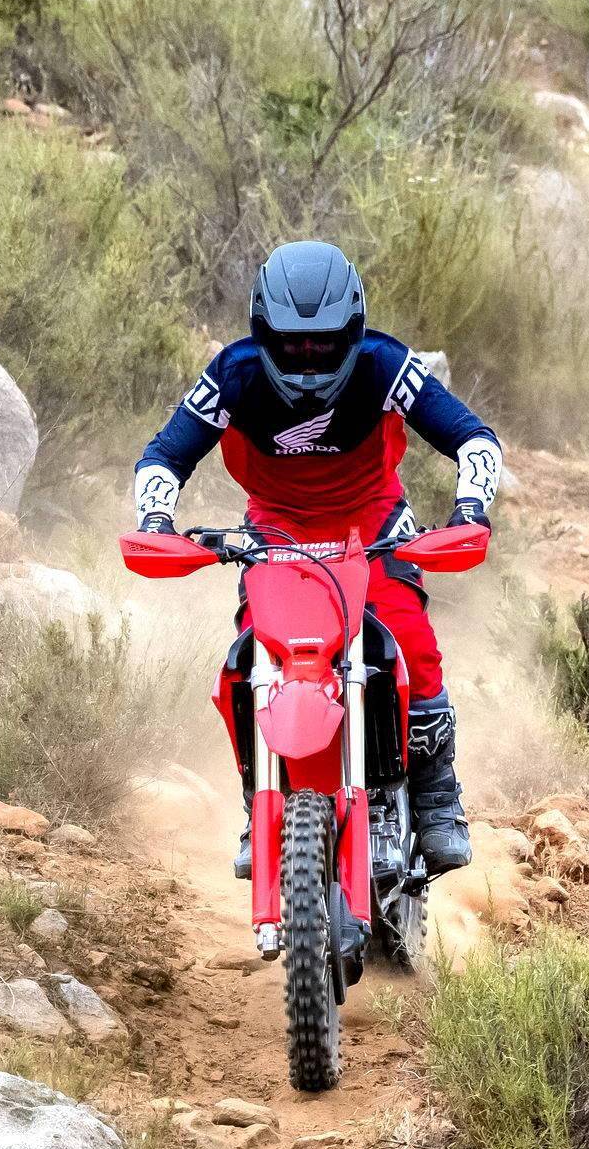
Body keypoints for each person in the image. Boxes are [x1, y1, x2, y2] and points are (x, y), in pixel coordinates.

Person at [130, 239, 504, 872]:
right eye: (292, 344)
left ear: (352, 332)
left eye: (323, 344)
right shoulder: (233, 374)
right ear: (263, 333)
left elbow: (474, 439)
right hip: (274, 531)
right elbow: (163, 455)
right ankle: (260, 801)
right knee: (251, 658)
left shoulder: (386, 365)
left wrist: (469, 511)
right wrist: (156, 520)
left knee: (411, 640)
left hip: (372, 522)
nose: (307, 356)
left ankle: (437, 797)